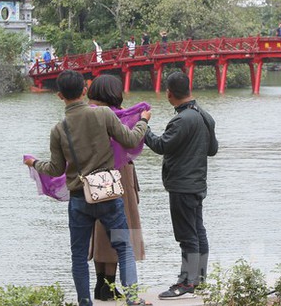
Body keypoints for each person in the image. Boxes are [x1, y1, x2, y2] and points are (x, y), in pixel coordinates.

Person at [23, 70, 151, 306]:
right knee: (124, 248)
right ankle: (133, 300)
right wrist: (143, 120)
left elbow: (55, 168)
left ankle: (85, 302)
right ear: (84, 90)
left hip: (79, 199)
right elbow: (131, 140)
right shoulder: (103, 114)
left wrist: (33, 163)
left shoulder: (59, 129)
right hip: (108, 196)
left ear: (59, 95)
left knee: (79, 257)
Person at [144, 72, 218, 300]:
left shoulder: (181, 120)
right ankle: (200, 279)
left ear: (169, 93)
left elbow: (160, 145)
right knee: (198, 231)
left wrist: (142, 126)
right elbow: (212, 150)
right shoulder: (205, 116)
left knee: (187, 236)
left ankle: (186, 282)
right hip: (197, 184)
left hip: (182, 186)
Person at [87, 75, 147, 301]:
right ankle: (110, 287)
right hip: (118, 175)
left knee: (100, 229)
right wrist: (143, 120)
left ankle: (101, 285)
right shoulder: (117, 116)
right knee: (120, 229)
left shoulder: (87, 114)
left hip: (94, 174)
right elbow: (132, 140)